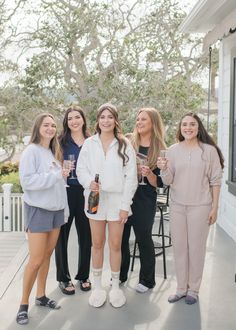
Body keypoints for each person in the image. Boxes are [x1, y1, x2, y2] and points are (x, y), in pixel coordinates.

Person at [157, 112, 224, 305]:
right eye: (184, 124)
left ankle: (193, 289)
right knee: (179, 248)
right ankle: (180, 288)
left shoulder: (209, 151)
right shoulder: (172, 150)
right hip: (177, 206)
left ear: (198, 128)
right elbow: (168, 181)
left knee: (196, 249)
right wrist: (163, 168)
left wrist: (215, 207)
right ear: (180, 128)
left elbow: (216, 181)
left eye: (192, 124)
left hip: (201, 207)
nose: (188, 127)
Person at [76, 103, 137, 308]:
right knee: (97, 243)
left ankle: (116, 287)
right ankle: (97, 287)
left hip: (117, 201)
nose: (106, 120)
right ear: (97, 120)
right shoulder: (89, 143)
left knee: (115, 244)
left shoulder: (124, 144)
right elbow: (81, 169)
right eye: (102, 117)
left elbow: (131, 177)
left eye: (110, 117)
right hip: (94, 199)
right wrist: (88, 183)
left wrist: (124, 205)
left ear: (115, 120)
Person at [16, 113, 69, 325]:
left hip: (56, 211)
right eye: (46, 125)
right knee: (36, 259)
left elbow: (58, 186)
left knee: (47, 255)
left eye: (53, 125)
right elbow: (28, 182)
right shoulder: (31, 151)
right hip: (38, 210)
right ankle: (23, 305)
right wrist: (57, 175)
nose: (50, 128)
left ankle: (41, 295)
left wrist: (63, 209)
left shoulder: (53, 152)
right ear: (38, 127)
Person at [120, 107, 166, 293]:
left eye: (144, 120)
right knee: (121, 238)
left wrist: (149, 175)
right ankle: (120, 275)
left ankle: (147, 280)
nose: (139, 122)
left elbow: (161, 183)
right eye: (138, 119)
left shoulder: (161, 148)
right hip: (125, 195)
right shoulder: (128, 142)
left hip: (146, 197)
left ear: (153, 123)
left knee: (144, 238)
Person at [55, 105, 92, 295]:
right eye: (70, 119)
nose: (74, 121)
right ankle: (63, 277)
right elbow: (52, 164)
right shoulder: (60, 141)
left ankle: (84, 275)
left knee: (86, 236)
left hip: (86, 193)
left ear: (83, 119)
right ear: (66, 122)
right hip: (66, 192)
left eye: (77, 117)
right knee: (62, 236)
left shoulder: (92, 141)